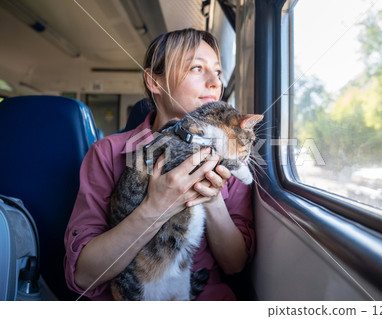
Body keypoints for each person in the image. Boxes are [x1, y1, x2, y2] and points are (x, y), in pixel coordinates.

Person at [63, 28, 254, 301]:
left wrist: (212, 199)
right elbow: (84, 276)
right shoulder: (108, 153)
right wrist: (154, 208)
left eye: (219, 73)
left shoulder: (232, 155)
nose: (215, 83)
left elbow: (235, 265)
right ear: (154, 81)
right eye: (197, 68)